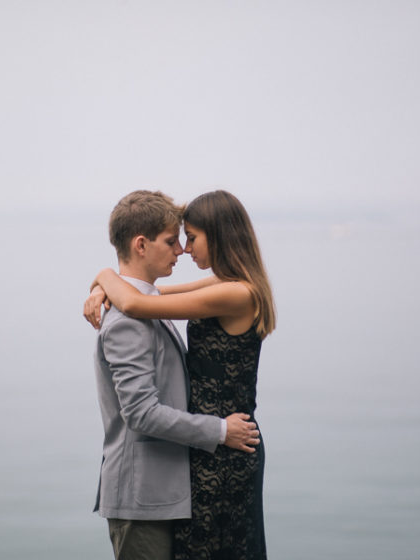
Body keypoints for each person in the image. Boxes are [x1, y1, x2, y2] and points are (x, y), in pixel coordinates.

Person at [85, 190, 276, 560]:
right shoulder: (223, 285)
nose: (185, 249)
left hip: (226, 445)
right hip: (209, 446)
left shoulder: (236, 292)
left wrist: (104, 275)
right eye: (177, 240)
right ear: (141, 245)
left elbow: (139, 302)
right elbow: (148, 295)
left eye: (191, 237)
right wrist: (102, 285)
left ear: (218, 235)